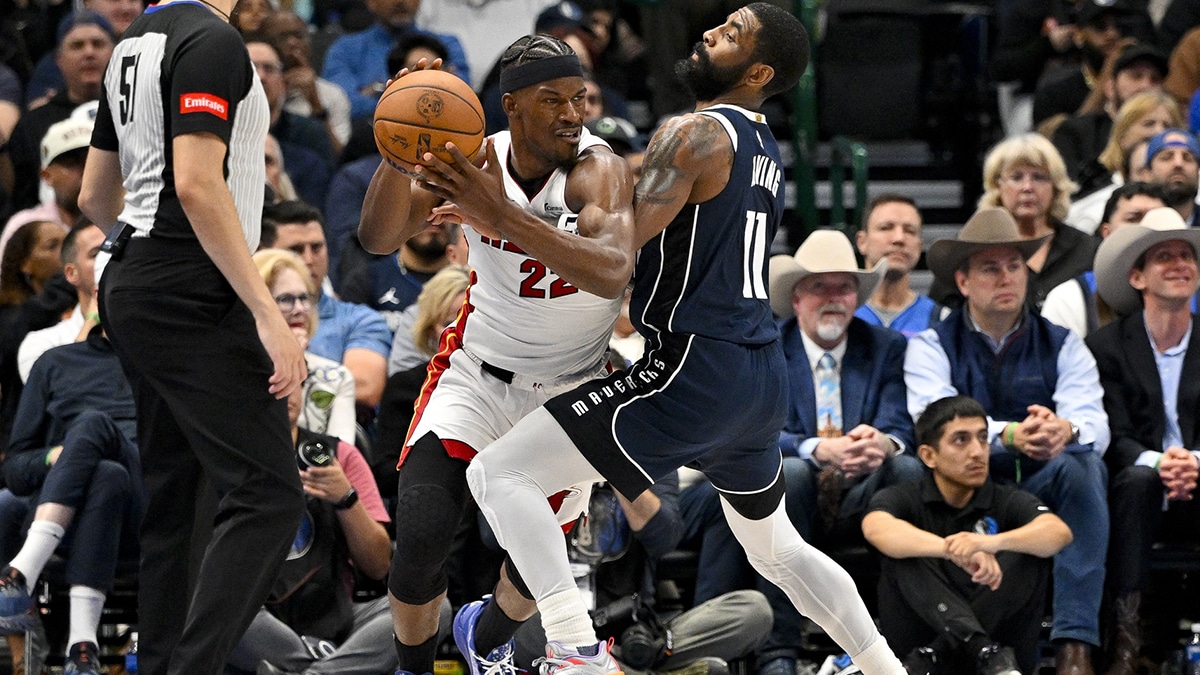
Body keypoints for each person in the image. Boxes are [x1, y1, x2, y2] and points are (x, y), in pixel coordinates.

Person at [452, 6, 906, 674]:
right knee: (776, 548)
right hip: (757, 375)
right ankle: (884, 667)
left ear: (758, 71)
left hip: (692, 366)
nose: (708, 35)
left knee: (498, 471)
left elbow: (615, 254)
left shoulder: (691, 132)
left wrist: (502, 212)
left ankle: (576, 650)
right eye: (719, 24)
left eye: (730, 36)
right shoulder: (763, 146)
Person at [357, 32, 636, 675]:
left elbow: (613, 270)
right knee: (420, 542)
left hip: (570, 396)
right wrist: (402, 153)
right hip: (478, 375)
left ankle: (483, 643)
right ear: (510, 106)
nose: (573, 114)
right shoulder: (472, 158)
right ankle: (414, 668)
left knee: (521, 586)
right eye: (553, 100)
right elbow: (377, 238)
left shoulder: (600, 170)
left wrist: (499, 215)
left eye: (579, 98)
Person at [77, 0, 309, 671]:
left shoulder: (133, 42)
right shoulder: (214, 40)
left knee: (180, 499)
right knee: (267, 495)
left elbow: (96, 192)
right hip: (190, 284)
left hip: (134, 277)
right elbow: (198, 185)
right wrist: (267, 311)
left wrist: (140, 248)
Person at [905, 207, 1110, 675]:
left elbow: (1094, 424)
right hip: (969, 478)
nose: (1005, 277)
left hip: (1042, 472)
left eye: (1014, 266)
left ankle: (1075, 645)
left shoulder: (1063, 341)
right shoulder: (931, 344)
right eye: (990, 268)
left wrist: (1065, 430)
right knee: (926, 468)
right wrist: (1010, 434)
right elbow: (931, 419)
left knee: (1084, 465)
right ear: (963, 282)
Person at [747, 229, 923, 675]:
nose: (833, 298)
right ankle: (777, 654)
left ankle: (908, 643)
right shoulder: (767, 348)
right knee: (792, 472)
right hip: (796, 491)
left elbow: (901, 426)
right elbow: (754, 430)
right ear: (798, 297)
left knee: (906, 468)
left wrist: (882, 444)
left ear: (857, 297)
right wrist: (817, 448)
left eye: (843, 286)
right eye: (819, 286)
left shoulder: (885, 346)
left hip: (865, 491)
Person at [863, 395, 1072, 675]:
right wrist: (953, 550)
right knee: (906, 550)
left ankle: (941, 652)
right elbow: (876, 527)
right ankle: (981, 648)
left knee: (1028, 547)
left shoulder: (1004, 498)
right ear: (928, 455)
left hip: (943, 662)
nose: (978, 452)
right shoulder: (905, 496)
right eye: (961, 440)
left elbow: (1058, 533)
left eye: (983, 438)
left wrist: (988, 543)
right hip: (925, 647)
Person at [1086, 207, 1200, 675]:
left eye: (1187, 256)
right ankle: (1125, 644)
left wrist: (1194, 460)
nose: (1180, 264)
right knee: (1135, 481)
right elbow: (1112, 433)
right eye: (1165, 257)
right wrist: (1161, 462)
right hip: (1138, 484)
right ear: (1136, 277)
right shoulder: (1107, 345)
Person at [0, 323, 143, 675]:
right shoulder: (54, 363)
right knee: (107, 473)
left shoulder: (167, 362)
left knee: (94, 423)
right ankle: (82, 648)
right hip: (70, 500)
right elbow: (15, 470)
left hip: (142, 506)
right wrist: (58, 456)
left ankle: (21, 572)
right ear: (100, 297)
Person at [228, 384, 393, 675]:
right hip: (255, 614)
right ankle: (329, 667)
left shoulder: (341, 455)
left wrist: (347, 499)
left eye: (294, 381)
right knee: (214, 605)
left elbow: (379, 567)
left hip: (335, 612)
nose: (286, 393)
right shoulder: (222, 454)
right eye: (273, 379)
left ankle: (307, 670)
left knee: (429, 609)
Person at [932, 133, 1097, 312]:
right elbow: (942, 310)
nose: (1027, 187)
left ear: (1056, 187)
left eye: (1039, 177)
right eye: (1017, 177)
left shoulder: (1086, 249)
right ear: (998, 186)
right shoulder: (972, 246)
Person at [269, 200, 392, 413]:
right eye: (295, 250)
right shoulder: (243, 319)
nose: (308, 259)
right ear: (265, 253)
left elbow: (365, 388)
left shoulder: (360, 320)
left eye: (316, 247)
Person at [6, 12, 114, 215]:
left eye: (98, 44)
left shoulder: (136, 112)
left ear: (115, 52)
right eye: (77, 45)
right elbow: (23, 200)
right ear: (58, 59)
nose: (89, 53)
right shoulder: (32, 124)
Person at [254, 247, 357, 445]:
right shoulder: (233, 373)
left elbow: (339, 455)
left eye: (303, 298)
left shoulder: (336, 378)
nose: (300, 309)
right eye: (286, 300)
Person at [1042, 181, 1167, 337]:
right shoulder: (1069, 298)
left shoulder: (1192, 291)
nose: (1146, 227)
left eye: (1157, 219)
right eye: (1134, 218)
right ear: (1107, 233)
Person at [320, 0, 470, 121]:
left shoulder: (447, 44)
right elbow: (343, 105)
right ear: (371, 2)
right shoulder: (345, 49)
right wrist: (420, 98)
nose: (400, 2)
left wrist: (378, 90)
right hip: (368, 142)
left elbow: (461, 99)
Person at [1064, 90, 1181, 235]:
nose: (1159, 132)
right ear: (1123, 135)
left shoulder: (1192, 188)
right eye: (1148, 124)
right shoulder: (1092, 200)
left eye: (1167, 126)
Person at [1049, 42, 1167, 186]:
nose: (1146, 86)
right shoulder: (1075, 132)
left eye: (1155, 79)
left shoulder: (1173, 135)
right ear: (1110, 88)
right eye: (1136, 76)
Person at [0, 220, 69, 452]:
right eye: (52, 246)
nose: (65, 251)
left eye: (68, 242)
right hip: (23, 440)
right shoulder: (10, 317)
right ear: (25, 264)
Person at [249, 41, 335, 212]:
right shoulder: (214, 131)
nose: (260, 77)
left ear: (284, 82)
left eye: (269, 68)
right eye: (250, 68)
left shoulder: (310, 134)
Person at [17, 221, 106, 382]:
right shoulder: (42, 343)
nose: (108, 260)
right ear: (72, 273)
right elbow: (64, 395)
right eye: (96, 254)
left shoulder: (143, 323)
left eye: (115, 251)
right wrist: (93, 320)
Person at [851, 193, 944, 338]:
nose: (899, 238)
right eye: (886, 227)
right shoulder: (843, 314)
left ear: (919, 247)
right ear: (862, 242)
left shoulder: (943, 321)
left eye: (909, 231)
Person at [259, 11, 352, 152]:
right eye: (282, 37)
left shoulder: (332, 94)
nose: (293, 43)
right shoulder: (254, 89)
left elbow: (338, 157)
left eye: (299, 35)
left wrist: (315, 102)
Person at [1143, 128, 1200, 226]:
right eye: (1166, 157)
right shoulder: (1137, 222)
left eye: (1188, 158)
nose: (1178, 163)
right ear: (1147, 173)